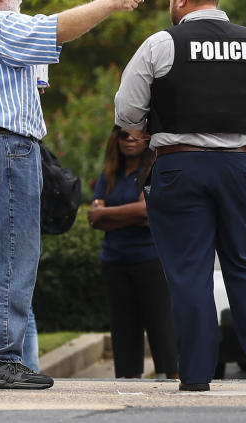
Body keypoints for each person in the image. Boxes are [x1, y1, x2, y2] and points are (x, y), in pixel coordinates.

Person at [0, 0, 151, 390]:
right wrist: (111, 1)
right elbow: (58, 28)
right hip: (3, 147)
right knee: (14, 254)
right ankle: (2, 358)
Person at [114, 0, 246, 392]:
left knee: (190, 271)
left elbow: (126, 113)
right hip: (240, 165)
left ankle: (195, 373)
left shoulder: (161, 44)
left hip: (180, 166)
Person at [88, 126, 179, 379]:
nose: (129, 139)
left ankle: (171, 377)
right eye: (122, 135)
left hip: (149, 260)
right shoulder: (109, 175)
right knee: (123, 328)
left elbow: (146, 212)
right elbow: (94, 219)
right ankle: (129, 382)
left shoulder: (152, 171)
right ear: (114, 140)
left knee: (160, 324)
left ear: (147, 139)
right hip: (114, 261)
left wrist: (108, 214)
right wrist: (128, 215)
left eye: (135, 135)